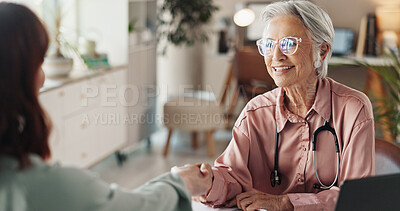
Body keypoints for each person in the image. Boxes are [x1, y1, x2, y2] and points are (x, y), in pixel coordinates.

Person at [0, 3, 212, 211]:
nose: (43, 79)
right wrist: (179, 183)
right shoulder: (46, 186)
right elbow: (135, 206)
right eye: (39, 64)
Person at [173, 1, 375, 210]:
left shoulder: (353, 109)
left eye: (289, 43)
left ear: (322, 52)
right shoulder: (255, 113)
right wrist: (206, 182)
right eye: (269, 45)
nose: (276, 56)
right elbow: (233, 178)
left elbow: (357, 198)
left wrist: (286, 203)